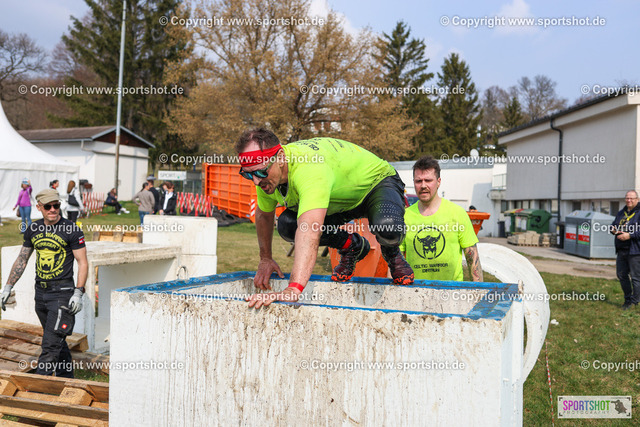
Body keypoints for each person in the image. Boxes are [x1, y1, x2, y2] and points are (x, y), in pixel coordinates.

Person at [236, 128, 413, 309]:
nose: (256, 181)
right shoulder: (265, 174)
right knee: (287, 226)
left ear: (280, 158)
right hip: (337, 201)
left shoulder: (309, 168)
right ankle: (351, 245)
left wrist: (293, 289)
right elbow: (264, 215)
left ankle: (392, 252)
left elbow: (309, 229)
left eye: (260, 172)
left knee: (388, 228)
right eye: (248, 174)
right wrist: (265, 259)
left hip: (376, 184)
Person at [1, 189, 87, 378]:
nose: (53, 209)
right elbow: (22, 259)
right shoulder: (34, 228)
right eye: (48, 206)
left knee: (49, 346)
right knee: (57, 340)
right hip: (41, 293)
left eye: (56, 205)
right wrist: (7, 286)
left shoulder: (71, 229)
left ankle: (38, 389)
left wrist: (78, 292)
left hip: (63, 293)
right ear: (39, 207)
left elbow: (82, 262)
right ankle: (66, 380)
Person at [399, 156, 482, 282]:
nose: (423, 185)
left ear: (438, 182)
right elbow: (396, 261)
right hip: (415, 290)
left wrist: (478, 290)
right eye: (418, 181)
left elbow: (473, 259)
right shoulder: (404, 217)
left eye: (428, 180)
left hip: (451, 291)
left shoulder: (457, 213)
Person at [611, 190, 640, 309]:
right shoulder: (621, 212)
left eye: (631, 198)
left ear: (637, 199)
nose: (629, 200)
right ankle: (627, 300)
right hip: (621, 249)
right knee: (621, 275)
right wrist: (613, 229)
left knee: (635, 277)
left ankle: (634, 302)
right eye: (627, 198)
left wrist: (630, 235)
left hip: (635, 251)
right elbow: (614, 224)